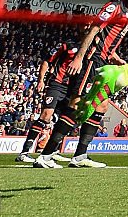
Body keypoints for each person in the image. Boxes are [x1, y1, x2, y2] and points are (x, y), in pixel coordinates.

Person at [34, 0, 128, 169]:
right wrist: (79, 58)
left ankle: (80, 156)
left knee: (101, 106)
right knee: (77, 104)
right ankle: (45, 155)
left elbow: (106, 40)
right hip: (92, 61)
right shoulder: (114, 7)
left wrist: (114, 57)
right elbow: (94, 29)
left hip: (103, 62)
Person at [16, 30, 81, 163]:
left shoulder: (89, 47)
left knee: (63, 119)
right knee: (46, 116)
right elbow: (47, 60)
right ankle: (25, 152)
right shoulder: (67, 44)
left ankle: (53, 150)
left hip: (72, 88)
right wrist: (41, 80)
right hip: (57, 83)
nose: (87, 28)